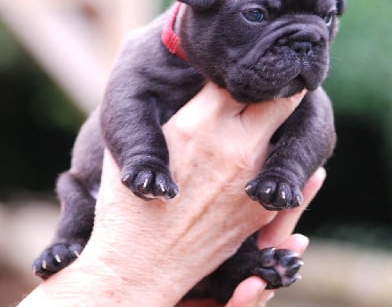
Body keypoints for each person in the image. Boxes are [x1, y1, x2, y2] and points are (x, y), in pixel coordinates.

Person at [18, 83, 325, 307]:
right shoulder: (152, 62)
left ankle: (236, 270)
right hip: (98, 212)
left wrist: (285, 171)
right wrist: (120, 277)